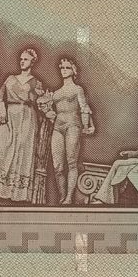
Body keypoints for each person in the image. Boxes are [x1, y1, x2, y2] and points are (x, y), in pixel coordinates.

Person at [0, 49, 48, 202]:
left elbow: (41, 103)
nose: (22, 61)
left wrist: (41, 99)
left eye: (25, 59)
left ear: (32, 62)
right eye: (21, 59)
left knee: (22, 148)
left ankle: (19, 193)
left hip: (27, 117)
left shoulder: (36, 82)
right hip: (10, 116)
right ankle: (0, 187)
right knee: (2, 144)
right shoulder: (10, 79)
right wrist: (1, 107)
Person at [48, 57, 94, 204]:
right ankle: (62, 197)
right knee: (58, 166)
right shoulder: (56, 92)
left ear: (73, 71)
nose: (64, 70)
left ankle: (68, 197)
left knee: (71, 162)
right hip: (58, 126)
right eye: (62, 68)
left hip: (73, 125)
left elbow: (84, 107)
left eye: (67, 68)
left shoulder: (77, 89)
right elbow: (49, 110)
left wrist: (88, 125)